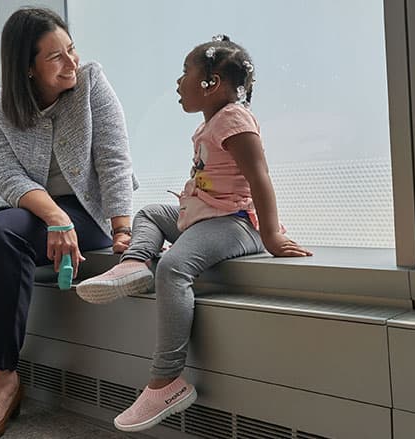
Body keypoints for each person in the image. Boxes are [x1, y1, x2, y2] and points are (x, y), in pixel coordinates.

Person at [75, 34, 312, 432]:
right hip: (203, 216)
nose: (179, 82)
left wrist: (270, 235)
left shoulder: (234, 118)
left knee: (172, 267)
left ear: (212, 82)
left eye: (186, 72)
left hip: (236, 222)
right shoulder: (213, 123)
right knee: (150, 212)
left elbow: (260, 177)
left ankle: (166, 380)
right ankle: (134, 263)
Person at [0, 8, 136, 439]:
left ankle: (2, 377)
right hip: (30, 207)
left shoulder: (91, 84)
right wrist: (54, 216)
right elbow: (8, 177)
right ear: (27, 68)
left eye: (71, 49)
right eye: (55, 57)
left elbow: (114, 156)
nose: (71, 62)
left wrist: (122, 228)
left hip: (86, 210)